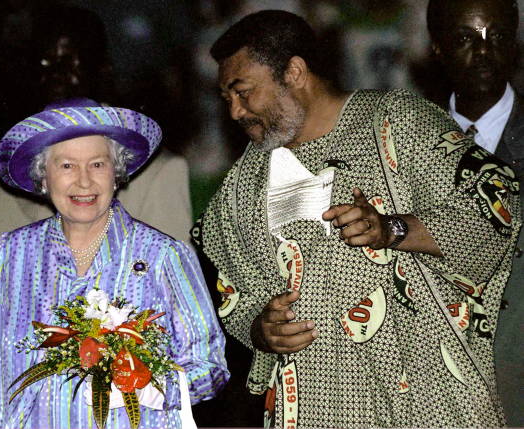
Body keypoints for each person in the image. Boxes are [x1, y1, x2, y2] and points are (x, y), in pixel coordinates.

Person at [195, 9, 520, 428]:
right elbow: (230, 286)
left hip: (419, 398)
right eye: (227, 99)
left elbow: (491, 210)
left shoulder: (398, 122)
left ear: (293, 72)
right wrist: (261, 329)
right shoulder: (247, 179)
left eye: (243, 92)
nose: (236, 112)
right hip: (312, 404)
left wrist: (392, 228)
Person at [0, 6, 193, 427]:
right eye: (43, 61)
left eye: (69, 61)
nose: (54, 73)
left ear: (101, 69)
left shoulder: (158, 172)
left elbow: (173, 312)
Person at [0, 103, 228, 427]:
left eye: (97, 164)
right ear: (43, 177)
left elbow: (211, 368)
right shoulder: (15, 251)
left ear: (116, 173)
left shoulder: (164, 256)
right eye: (66, 166)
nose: (84, 181)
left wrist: (152, 385)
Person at [426, 0, 524, 425]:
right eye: (466, 39)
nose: (483, 52)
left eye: (497, 37)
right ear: (437, 48)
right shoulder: (407, 139)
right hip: (434, 384)